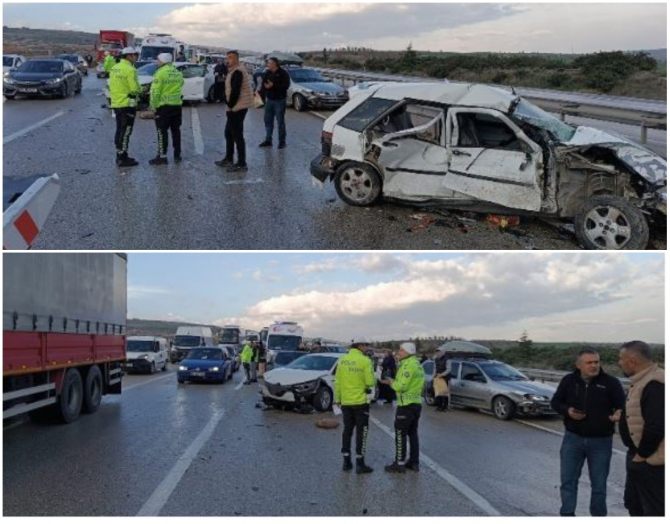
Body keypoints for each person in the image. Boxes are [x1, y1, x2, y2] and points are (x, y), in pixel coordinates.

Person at [550, 348, 626, 517]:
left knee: (599, 485)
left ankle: (598, 515)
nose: (594, 366)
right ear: (578, 365)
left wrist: (618, 414)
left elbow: (623, 406)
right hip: (573, 439)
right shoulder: (569, 380)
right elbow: (555, 402)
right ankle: (567, 514)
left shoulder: (611, 383)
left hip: (601, 442)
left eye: (596, 362)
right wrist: (568, 411)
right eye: (589, 362)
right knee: (568, 481)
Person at [617, 340, 664, 517]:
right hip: (641, 456)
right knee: (633, 504)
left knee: (653, 510)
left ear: (632, 361)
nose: (619, 363)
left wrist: (641, 456)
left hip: (651, 461)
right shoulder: (642, 380)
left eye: (621, 359)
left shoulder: (655, 384)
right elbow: (643, 413)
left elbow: (657, 426)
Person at [333, 337, 376, 474]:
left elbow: (337, 382)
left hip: (346, 402)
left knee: (347, 431)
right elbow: (370, 382)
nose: (366, 348)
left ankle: (346, 462)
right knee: (361, 432)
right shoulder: (365, 360)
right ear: (360, 346)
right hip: (361, 402)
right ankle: (360, 463)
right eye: (365, 345)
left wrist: (338, 399)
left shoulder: (342, 360)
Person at [381, 342, 425, 473]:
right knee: (413, 434)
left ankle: (399, 464)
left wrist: (391, 382)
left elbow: (401, 386)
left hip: (406, 405)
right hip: (416, 403)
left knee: (400, 434)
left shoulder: (408, 365)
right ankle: (414, 462)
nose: (398, 353)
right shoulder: (418, 364)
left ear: (407, 352)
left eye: (401, 350)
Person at [214, 50, 254, 172]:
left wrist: (230, 105)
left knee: (237, 134)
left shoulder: (238, 71)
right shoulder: (233, 70)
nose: (228, 60)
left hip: (238, 107)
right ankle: (229, 158)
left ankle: (242, 163)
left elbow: (235, 91)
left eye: (230, 57)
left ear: (237, 59)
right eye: (227, 58)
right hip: (235, 106)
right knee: (228, 133)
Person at [108, 47, 142, 167]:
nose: (136, 57)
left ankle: (120, 154)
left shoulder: (115, 68)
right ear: (129, 56)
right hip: (127, 104)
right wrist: (141, 90)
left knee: (119, 130)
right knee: (126, 131)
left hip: (116, 103)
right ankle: (122, 158)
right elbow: (134, 88)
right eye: (134, 55)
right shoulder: (130, 69)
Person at [148, 53, 184, 165]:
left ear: (163, 61)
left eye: (158, 60)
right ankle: (177, 155)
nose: (157, 62)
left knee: (162, 132)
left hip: (163, 107)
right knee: (176, 131)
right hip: (177, 106)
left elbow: (155, 91)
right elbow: (181, 84)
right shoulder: (177, 72)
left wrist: (153, 106)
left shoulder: (160, 73)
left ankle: (162, 157)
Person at [258, 57, 290, 149]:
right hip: (269, 100)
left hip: (279, 100)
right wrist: (261, 93)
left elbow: (286, 86)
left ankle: (282, 141)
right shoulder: (267, 72)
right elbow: (264, 84)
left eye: (269, 63)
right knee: (268, 120)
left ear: (274, 64)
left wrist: (273, 85)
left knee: (280, 121)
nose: (267, 64)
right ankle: (268, 140)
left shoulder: (283, 73)